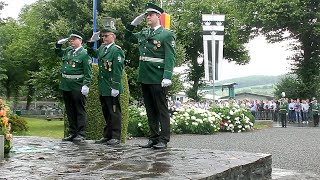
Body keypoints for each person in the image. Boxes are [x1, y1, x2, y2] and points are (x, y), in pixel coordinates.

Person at [124, 2, 176, 149]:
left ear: (158, 16)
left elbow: (170, 56)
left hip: (158, 76)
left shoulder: (166, 34)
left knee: (161, 109)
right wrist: (133, 24)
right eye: (146, 15)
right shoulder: (144, 33)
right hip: (145, 76)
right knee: (150, 109)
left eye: (150, 15)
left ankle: (164, 139)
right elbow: (127, 37)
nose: (148, 17)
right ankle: (153, 137)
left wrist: (167, 76)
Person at [87, 25, 125, 146]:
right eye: (103, 36)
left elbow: (117, 70)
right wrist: (91, 42)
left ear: (113, 37)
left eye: (106, 36)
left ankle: (115, 136)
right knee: (106, 112)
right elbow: (92, 53)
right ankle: (107, 135)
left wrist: (115, 86)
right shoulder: (103, 49)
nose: (104, 38)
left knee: (114, 112)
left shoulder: (116, 50)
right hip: (103, 86)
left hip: (111, 85)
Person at [55, 30, 93, 142]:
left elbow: (88, 72)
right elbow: (58, 53)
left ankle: (81, 133)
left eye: (74, 39)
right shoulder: (68, 51)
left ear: (80, 40)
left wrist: (86, 85)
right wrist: (58, 45)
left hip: (77, 85)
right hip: (66, 85)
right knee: (70, 110)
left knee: (79, 109)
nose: (71, 41)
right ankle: (73, 132)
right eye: (70, 39)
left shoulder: (85, 54)